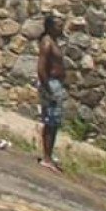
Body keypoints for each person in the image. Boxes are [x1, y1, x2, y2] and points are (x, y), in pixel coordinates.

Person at [37, 15, 67, 171]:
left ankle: (49, 153)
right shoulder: (47, 43)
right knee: (50, 120)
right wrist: (48, 89)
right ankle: (46, 157)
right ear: (49, 27)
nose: (61, 28)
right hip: (51, 84)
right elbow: (41, 68)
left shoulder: (54, 42)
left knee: (55, 121)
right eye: (58, 26)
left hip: (57, 84)